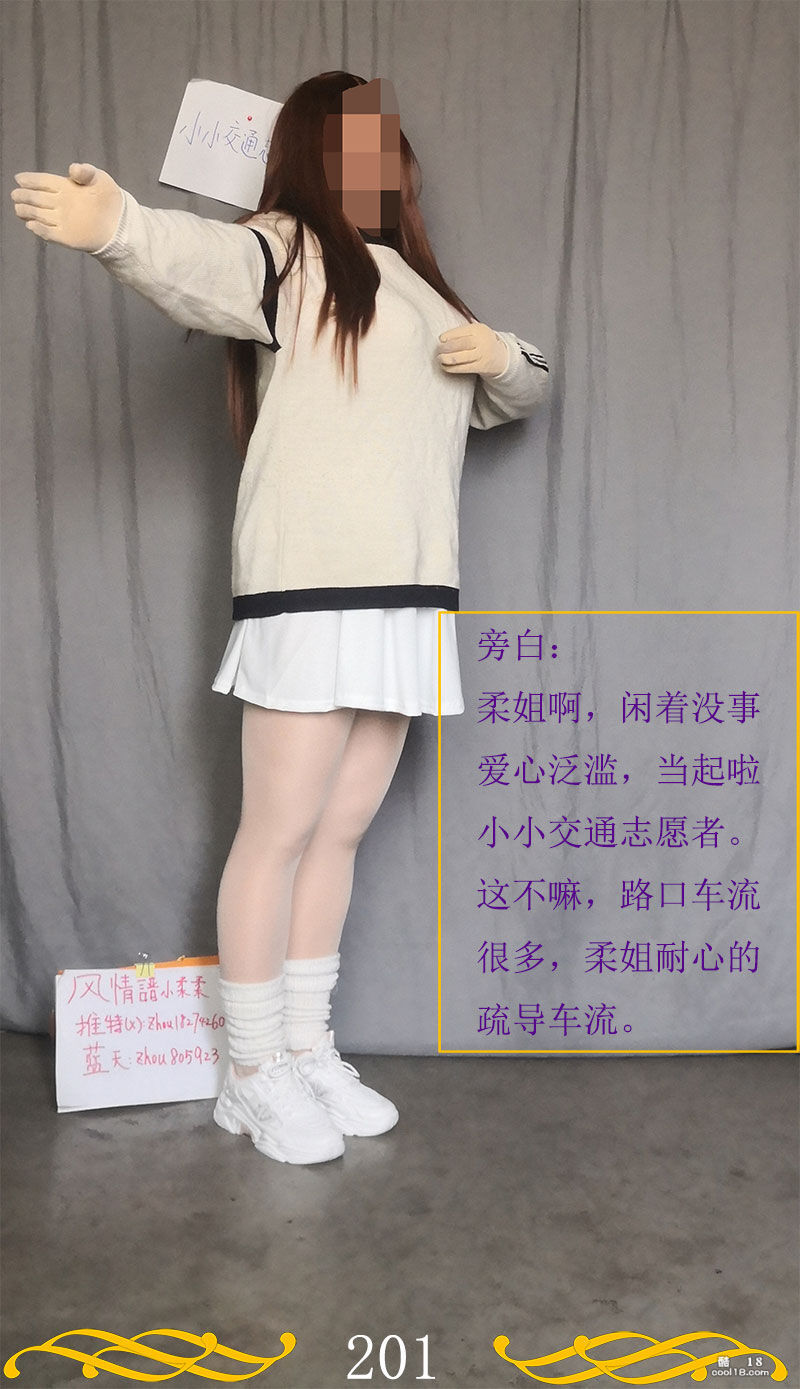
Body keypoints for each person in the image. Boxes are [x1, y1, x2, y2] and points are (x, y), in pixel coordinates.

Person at [11, 70, 550, 1165]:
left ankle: (305, 1046)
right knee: (280, 831)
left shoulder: (423, 286)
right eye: (354, 137)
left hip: (408, 595)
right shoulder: (283, 251)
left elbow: (521, 387)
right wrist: (117, 226)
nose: (380, 156)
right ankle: (251, 1072)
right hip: (308, 588)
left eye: (387, 140)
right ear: (311, 149)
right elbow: (195, 263)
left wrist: (501, 354)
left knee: (339, 830)